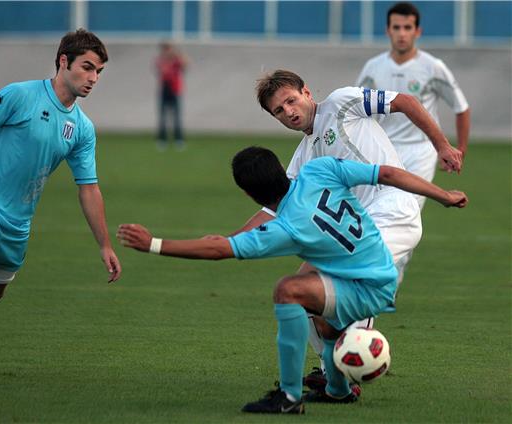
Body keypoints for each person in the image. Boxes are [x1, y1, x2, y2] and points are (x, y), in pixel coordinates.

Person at [117, 146, 468, 414]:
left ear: (250, 194)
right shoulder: (320, 169)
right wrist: (444, 196)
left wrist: (154, 244)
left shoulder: (284, 229)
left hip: (366, 287)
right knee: (316, 303)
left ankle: (288, 397)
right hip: (377, 270)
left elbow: (217, 249)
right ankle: (337, 389)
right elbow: (388, 173)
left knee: (288, 291)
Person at [240, 69, 463, 395]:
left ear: (307, 92)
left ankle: (356, 351)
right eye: (278, 110)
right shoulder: (304, 156)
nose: (288, 111)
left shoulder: (343, 103)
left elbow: (405, 101)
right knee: (300, 292)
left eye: (290, 100)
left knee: (353, 287)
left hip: (392, 214)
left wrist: (442, 145)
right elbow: (274, 207)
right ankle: (334, 377)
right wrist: (231, 240)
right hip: (355, 232)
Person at [0, 29, 122, 386]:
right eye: (88, 67)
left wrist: (104, 244)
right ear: (63, 62)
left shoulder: (81, 128)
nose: (94, 78)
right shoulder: (21, 95)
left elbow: (89, 189)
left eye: (99, 71)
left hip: (18, 221)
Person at [356, 2, 470, 209]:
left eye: (407, 28)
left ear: (417, 31)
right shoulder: (373, 68)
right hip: (383, 149)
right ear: (387, 30)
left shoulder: (433, 67)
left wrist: (460, 149)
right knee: (377, 209)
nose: (401, 34)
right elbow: (356, 107)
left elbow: (461, 107)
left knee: (406, 210)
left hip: (420, 152)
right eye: (396, 27)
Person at [155, 41, 188, 151]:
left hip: (176, 90)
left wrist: (178, 55)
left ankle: (179, 139)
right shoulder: (161, 60)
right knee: (163, 117)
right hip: (165, 89)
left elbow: (186, 65)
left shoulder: (177, 60)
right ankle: (162, 139)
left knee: (177, 117)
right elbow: (162, 71)